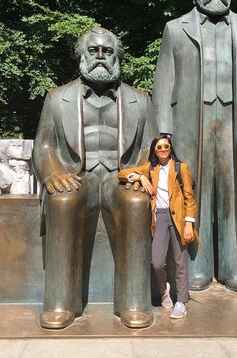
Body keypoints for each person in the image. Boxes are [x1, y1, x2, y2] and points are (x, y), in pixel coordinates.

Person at [152, 0, 237, 293]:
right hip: (191, 122)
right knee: (193, 191)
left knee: (236, 194)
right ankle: (196, 267)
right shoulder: (175, 29)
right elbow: (164, 81)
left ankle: (236, 269)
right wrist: (162, 130)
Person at [32, 27, 158, 329]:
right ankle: (61, 303)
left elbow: (149, 147)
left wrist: (140, 173)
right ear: (81, 56)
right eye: (93, 50)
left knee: (137, 203)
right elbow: (44, 145)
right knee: (61, 201)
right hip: (79, 176)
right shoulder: (57, 98)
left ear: (117, 57)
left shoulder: (140, 100)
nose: (100, 56)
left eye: (107, 51)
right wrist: (51, 173)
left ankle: (134, 302)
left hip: (121, 176)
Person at [118, 136, 197, 319]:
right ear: (154, 150)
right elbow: (121, 174)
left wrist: (189, 223)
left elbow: (189, 197)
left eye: (166, 146)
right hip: (159, 217)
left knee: (180, 262)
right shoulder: (151, 168)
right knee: (157, 262)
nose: (163, 149)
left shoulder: (180, 167)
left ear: (170, 148)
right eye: (159, 147)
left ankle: (182, 301)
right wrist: (140, 178)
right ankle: (164, 290)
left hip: (178, 217)